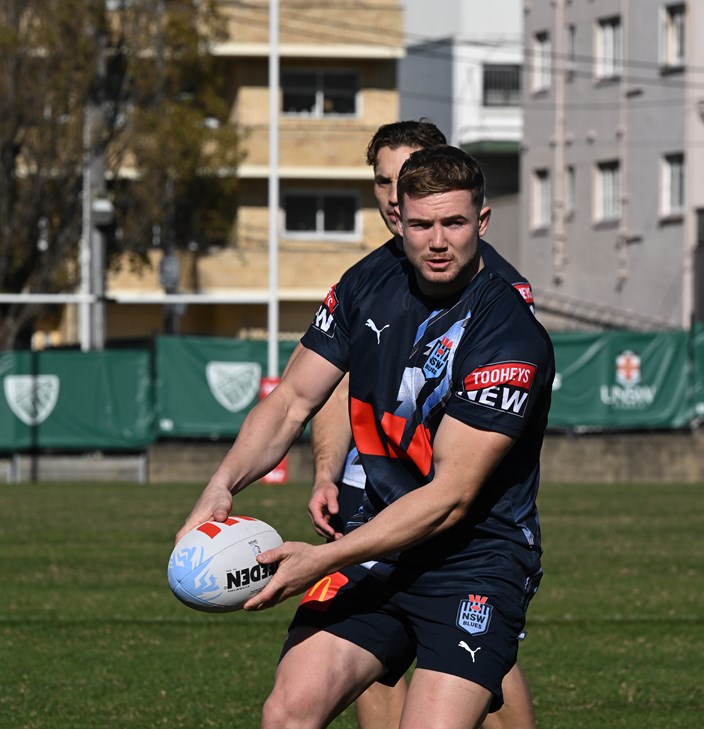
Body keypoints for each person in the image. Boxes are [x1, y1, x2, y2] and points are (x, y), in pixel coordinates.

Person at [176, 145, 554, 729]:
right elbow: (291, 402)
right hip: (376, 542)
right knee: (287, 713)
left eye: (454, 223)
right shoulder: (365, 283)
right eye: (422, 224)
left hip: (474, 561)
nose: (437, 241)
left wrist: (322, 558)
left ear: (481, 222)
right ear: (397, 219)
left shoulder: (508, 335)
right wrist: (221, 487)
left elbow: (450, 496)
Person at [307, 120, 537, 729]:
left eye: (404, 177)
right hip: (370, 495)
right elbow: (335, 380)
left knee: (475, 667)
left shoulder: (493, 291)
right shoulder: (368, 277)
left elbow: (466, 457)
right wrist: (327, 469)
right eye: (383, 180)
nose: (391, 193)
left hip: (453, 522)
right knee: (367, 661)